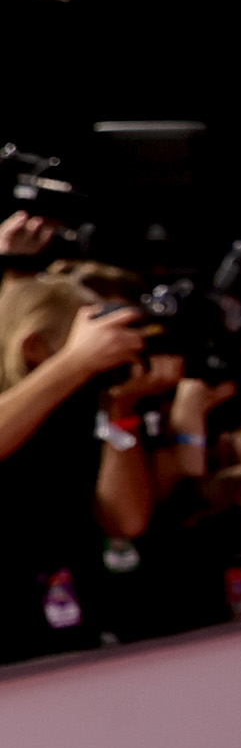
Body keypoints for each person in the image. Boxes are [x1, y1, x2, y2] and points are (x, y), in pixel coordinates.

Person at [0, 271, 164, 660]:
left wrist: (122, 409)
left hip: (71, 631)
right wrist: (75, 363)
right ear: (35, 346)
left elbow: (125, 521)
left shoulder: (86, 410)